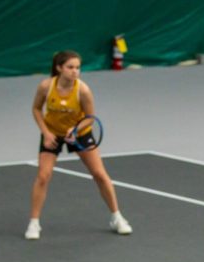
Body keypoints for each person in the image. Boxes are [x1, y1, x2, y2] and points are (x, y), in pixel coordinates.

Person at [26, 50, 131, 240]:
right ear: (59, 68)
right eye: (70, 67)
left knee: (99, 174)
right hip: (52, 134)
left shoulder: (83, 90)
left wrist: (74, 130)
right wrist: (46, 133)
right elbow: (36, 109)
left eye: (77, 67)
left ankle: (117, 217)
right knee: (43, 176)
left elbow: (90, 118)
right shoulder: (45, 87)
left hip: (79, 134)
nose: (75, 71)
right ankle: (34, 223)